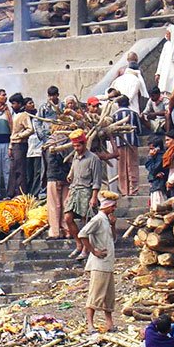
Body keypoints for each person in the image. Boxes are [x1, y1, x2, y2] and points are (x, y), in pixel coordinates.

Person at [79, 193, 118, 333]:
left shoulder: (106, 220)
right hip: (99, 264)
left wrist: (113, 225)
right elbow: (82, 234)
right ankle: (90, 324)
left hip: (108, 264)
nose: (114, 208)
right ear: (107, 206)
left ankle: (109, 324)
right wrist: (93, 251)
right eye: (113, 206)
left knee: (108, 296)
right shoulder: (98, 219)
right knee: (95, 295)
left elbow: (113, 239)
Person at [65, 129, 103, 261]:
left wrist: (93, 197)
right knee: (68, 218)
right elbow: (72, 175)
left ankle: (87, 249)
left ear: (84, 144)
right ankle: (78, 243)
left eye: (78, 146)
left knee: (85, 220)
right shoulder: (75, 156)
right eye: (74, 146)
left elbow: (97, 181)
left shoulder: (94, 159)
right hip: (75, 191)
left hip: (87, 191)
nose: (76, 148)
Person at [112, 96, 141, 196]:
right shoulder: (134, 114)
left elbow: (112, 131)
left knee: (121, 168)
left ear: (118, 104)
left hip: (119, 144)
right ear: (128, 103)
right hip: (132, 143)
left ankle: (124, 191)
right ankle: (134, 190)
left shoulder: (114, 115)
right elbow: (139, 130)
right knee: (132, 166)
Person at [8, 93, 32, 198]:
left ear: (19, 103)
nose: (12, 106)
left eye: (14, 103)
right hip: (14, 144)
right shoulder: (15, 115)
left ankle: (21, 193)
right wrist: (10, 146)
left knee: (20, 169)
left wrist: (20, 135)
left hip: (20, 144)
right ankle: (11, 193)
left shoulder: (24, 115)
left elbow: (30, 129)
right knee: (13, 169)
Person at [46, 141, 71, 239]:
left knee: (54, 205)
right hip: (66, 176)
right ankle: (67, 230)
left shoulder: (52, 142)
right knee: (65, 204)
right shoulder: (69, 142)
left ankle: (55, 231)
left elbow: (51, 163)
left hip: (54, 177)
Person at [145, 136, 169, 210]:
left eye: (152, 149)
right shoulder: (156, 156)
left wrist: (151, 157)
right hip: (155, 183)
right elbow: (148, 166)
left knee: (158, 206)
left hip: (159, 185)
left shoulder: (161, 157)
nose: (150, 151)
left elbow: (154, 169)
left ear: (158, 148)